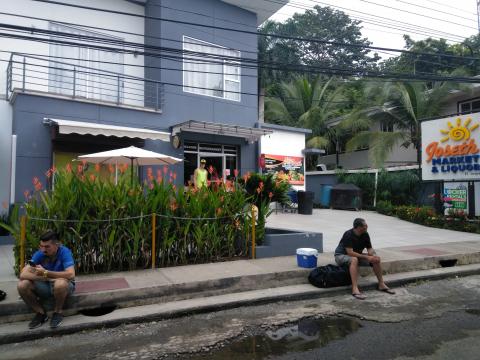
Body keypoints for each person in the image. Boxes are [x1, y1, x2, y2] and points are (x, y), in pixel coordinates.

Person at [17, 230, 75, 329]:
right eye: (41, 246)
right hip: (45, 284)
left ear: (57, 245)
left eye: (47, 247)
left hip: (63, 287)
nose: (43, 250)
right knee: (22, 285)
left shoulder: (65, 252)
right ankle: (40, 313)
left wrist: (46, 273)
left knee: (60, 283)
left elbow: (71, 274)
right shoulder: (40, 253)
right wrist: (44, 277)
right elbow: (23, 274)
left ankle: (57, 312)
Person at [334, 218, 395, 300]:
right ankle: (355, 288)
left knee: (375, 260)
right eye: (364, 225)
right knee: (354, 259)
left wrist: (372, 254)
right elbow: (350, 253)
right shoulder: (348, 234)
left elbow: (369, 248)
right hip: (341, 256)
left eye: (366, 225)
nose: (366, 227)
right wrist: (366, 257)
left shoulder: (365, 234)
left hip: (356, 255)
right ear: (358, 227)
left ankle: (381, 284)